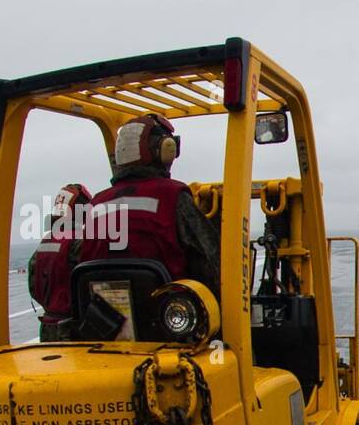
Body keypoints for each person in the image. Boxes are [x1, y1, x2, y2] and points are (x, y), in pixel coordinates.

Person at [76, 112, 219, 292]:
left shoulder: (96, 204)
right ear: (166, 149)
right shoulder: (172, 195)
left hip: (102, 314)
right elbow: (211, 259)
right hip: (166, 312)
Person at [28, 183, 92, 341]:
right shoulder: (79, 241)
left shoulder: (46, 242)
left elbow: (33, 285)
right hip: (73, 329)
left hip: (48, 329)